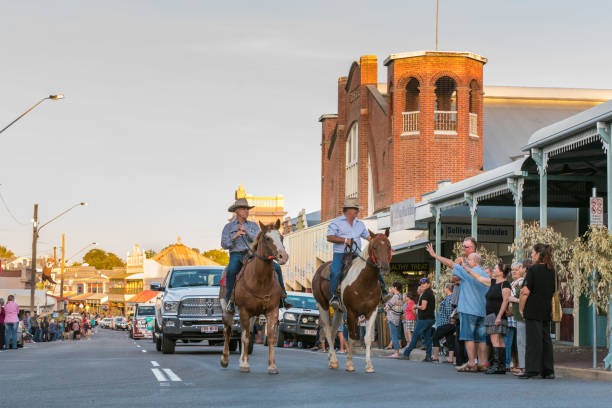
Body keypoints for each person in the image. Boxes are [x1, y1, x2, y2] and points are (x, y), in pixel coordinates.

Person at [221, 197, 291, 313]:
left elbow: (259, 239)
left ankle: (283, 297)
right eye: (243, 209)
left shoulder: (253, 226)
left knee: (277, 268)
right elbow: (224, 244)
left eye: (247, 209)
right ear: (237, 211)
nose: (246, 211)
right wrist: (235, 236)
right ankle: (230, 301)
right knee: (232, 270)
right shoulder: (228, 227)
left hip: (253, 254)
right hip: (236, 254)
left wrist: (246, 232)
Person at [426, 243, 489, 372]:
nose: (466, 261)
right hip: (482, 311)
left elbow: (450, 264)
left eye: (469, 260)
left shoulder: (467, 272)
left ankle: (472, 362)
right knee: (481, 338)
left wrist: (435, 255)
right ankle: (483, 363)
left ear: (475, 262)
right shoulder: (485, 274)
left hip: (468, 309)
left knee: (469, 337)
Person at [326, 197, 376, 309]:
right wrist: (344, 240)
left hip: (357, 254)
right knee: (335, 272)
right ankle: (335, 296)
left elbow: (368, 237)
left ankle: (383, 292)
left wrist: (377, 242)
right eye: (356, 209)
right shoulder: (336, 222)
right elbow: (329, 237)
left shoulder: (360, 224)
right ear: (348, 210)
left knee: (373, 267)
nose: (358, 211)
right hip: (340, 254)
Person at [462, 262, 512, 374]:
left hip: (497, 315)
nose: (493, 269)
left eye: (495, 268)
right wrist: (467, 269)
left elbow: (505, 301)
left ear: (501, 271)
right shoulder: (493, 282)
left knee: (496, 340)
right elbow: (479, 278)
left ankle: (497, 366)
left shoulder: (505, 285)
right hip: (490, 315)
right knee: (498, 340)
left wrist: (499, 316)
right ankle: (501, 367)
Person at [519, 244, 556, 380]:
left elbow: (525, 292)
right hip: (546, 309)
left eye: (533, 254)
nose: (532, 256)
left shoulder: (533, 270)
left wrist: (521, 309)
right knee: (546, 340)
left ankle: (532, 369)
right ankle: (548, 370)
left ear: (539, 255)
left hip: (533, 309)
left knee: (533, 341)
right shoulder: (551, 270)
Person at [402, 278, 436, 361]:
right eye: (421, 284)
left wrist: (415, 306)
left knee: (415, 336)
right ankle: (428, 356)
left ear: (428, 284)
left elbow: (423, 307)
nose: (422, 285)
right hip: (430, 319)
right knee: (428, 338)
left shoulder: (425, 294)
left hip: (424, 319)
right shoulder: (430, 293)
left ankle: (406, 354)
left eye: (424, 283)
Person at [509, 259, 531, 376]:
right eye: (512, 270)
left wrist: (514, 299)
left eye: (518, 269)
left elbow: (521, 296)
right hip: (517, 315)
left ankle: (523, 367)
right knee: (520, 342)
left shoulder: (523, 282)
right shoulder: (516, 283)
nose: (514, 272)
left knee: (521, 342)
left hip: (522, 315)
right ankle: (521, 365)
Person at [432, 283, 456, 363]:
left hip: (445, 322)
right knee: (450, 339)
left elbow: (450, 310)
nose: (443, 289)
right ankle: (450, 359)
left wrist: (451, 319)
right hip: (449, 323)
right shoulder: (452, 297)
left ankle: (435, 356)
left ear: (447, 288)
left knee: (435, 337)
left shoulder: (449, 298)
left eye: (444, 288)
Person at [384, 282, 404, 358]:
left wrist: (386, 306)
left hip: (392, 317)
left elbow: (387, 307)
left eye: (392, 287)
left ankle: (396, 353)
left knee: (393, 335)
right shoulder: (401, 296)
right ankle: (396, 352)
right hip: (397, 317)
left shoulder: (395, 296)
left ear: (395, 288)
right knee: (395, 335)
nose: (391, 289)